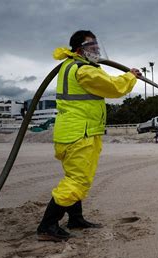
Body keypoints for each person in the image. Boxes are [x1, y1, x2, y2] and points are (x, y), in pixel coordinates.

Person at [37, 30, 141, 242]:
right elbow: (113, 87)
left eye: (96, 46)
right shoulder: (82, 70)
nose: (96, 50)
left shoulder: (72, 66)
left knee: (78, 177)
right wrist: (130, 76)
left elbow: (105, 81)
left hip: (74, 132)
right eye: (91, 46)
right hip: (79, 134)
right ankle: (47, 225)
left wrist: (127, 76)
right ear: (79, 49)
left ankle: (76, 219)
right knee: (77, 180)